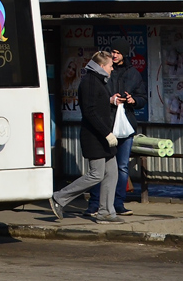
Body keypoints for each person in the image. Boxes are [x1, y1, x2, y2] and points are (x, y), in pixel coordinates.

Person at [49, 51, 121, 223]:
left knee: (112, 172)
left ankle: (106, 212)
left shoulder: (98, 81)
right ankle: (59, 197)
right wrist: (106, 133)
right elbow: (89, 111)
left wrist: (109, 102)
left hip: (103, 137)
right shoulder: (89, 82)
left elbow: (97, 105)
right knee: (96, 174)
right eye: (110, 66)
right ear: (102, 66)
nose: (112, 69)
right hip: (95, 137)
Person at [86, 47, 145, 216]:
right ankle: (95, 204)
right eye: (113, 51)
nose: (115, 55)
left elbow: (142, 98)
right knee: (101, 167)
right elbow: (95, 97)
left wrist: (134, 100)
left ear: (124, 54)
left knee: (122, 167)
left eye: (119, 52)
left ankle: (118, 203)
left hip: (126, 125)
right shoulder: (104, 71)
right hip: (106, 125)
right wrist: (110, 100)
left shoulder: (133, 73)